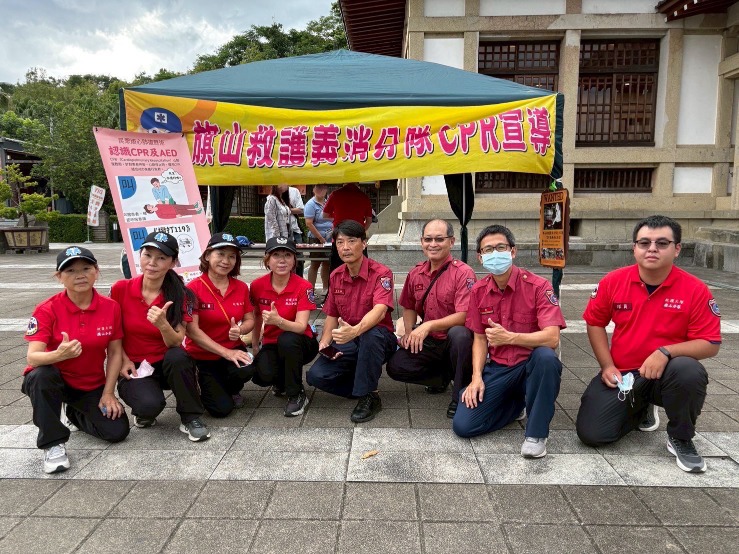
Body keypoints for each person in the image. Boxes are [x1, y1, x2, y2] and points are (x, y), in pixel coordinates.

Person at [576, 215, 721, 473]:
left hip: (668, 375)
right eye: (644, 243)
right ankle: (641, 407)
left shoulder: (695, 290)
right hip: (625, 375)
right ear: (635, 248)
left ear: (677, 249)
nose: (652, 249)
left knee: (689, 370)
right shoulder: (613, 281)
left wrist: (666, 352)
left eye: (662, 243)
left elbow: (710, 343)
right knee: (593, 434)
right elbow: (594, 322)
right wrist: (607, 365)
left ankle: (681, 437)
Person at [452, 225, 565, 459]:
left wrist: (511, 337)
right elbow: (479, 338)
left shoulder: (538, 286)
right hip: (499, 368)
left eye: (500, 247)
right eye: (488, 250)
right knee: (463, 425)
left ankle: (536, 434)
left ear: (513, 251)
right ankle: (515, 406)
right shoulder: (478, 291)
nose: (495, 254)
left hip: (530, 366)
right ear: (480, 257)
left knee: (546, 358)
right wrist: (476, 377)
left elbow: (552, 337)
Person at [22, 246, 129, 474]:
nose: (79, 275)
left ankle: (73, 413)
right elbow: (33, 356)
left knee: (117, 431)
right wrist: (58, 355)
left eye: (86, 268)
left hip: (89, 384)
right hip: (53, 382)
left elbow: (115, 353)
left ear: (96, 271)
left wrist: (108, 393)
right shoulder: (47, 309)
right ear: (59, 277)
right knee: (41, 375)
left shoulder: (111, 307)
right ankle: (53, 443)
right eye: (70, 270)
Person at [110, 232, 211, 442]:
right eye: (147, 255)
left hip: (167, 364)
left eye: (161, 258)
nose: (152, 263)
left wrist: (163, 325)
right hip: (134, 366)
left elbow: (176, 341)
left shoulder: (181, 295)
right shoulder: (120, 289)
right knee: (148, 406)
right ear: (140, 256)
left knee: (179, 356)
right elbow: (112, 334)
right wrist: (123, 360)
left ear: (173, 263)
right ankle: (145, 410)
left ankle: (191, 417)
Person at [306, 220, 397, 423]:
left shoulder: (381, 273)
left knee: (370, 335)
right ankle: (360, 385)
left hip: (379, 339)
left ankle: (369, 396)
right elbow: (331, 314)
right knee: (316, 376)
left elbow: (380, 310)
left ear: (364, 243)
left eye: (351, 241)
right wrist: (325, 343)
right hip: (349, 340)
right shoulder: (336, 275)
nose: (345, 247)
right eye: (340, 242)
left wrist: (355, 331)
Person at [386, 219, 475, 418]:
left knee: (460, 335)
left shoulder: (463, 273)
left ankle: (459, 394)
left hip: (454, 341)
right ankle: (442, 377)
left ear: (451, 241)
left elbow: (464, 315)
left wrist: (428, 326)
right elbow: (409, 306)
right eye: (428, 239)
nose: (433, 244)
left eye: (439, 239)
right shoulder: (416, 273)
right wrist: (409, 332)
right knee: (396, 366)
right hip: (430, 341)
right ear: (421, 242)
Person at [185, 233, 255, 418]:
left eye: (232, 256)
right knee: (221, 410)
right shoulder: (193, 288)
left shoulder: (241, 287)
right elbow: (192, 331)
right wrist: (226, 353)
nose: (226, 261)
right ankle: (200, 381)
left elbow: (250, 320)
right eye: (221, 254)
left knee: (248, 369)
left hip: (232, 349)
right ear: (208, 255)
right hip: (203, 355)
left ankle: (229, 388)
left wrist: (240, 330)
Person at [249, 237, 319, 416]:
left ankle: (296, 393)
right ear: (267, 259)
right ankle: (281, 380)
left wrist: (278, 320)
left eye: (287, 255)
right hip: (272, 342)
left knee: (288, 339)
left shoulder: (304, 286)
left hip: (300, 342)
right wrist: (255, 345)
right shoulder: (257, 285)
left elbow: (301, 327)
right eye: (276, 255)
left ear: (294, 260)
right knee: (262, 376)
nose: (282, 260)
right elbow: (257, 317)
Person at [322, 182, 373, 272]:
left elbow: (325, 215)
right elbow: (369, 220)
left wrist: (337, 216)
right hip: (357, 237)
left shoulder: (335, 194)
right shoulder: (363, 196)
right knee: (361, 268)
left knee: (336, 269)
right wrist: (361, 231)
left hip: (340, 237)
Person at [304, 184, 332, 301]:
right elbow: (309, 223)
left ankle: (326, 288)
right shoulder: (311, 204)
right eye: (318, 188)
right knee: (315, 263)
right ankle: (311, 290)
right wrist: (320, 238)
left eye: (323, 188)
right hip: (316, 238)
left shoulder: (327, 202)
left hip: (329, 237)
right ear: (314, 189)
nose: (321, 190)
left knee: (327, 263)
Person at [282, 185, 306, 277]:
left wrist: (284, 210)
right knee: (281, 258)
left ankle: (299, 279)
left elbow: (300, 209)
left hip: (294, 229)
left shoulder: (294, 191)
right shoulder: (273, 194)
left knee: (299, 258)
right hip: (278, 232)